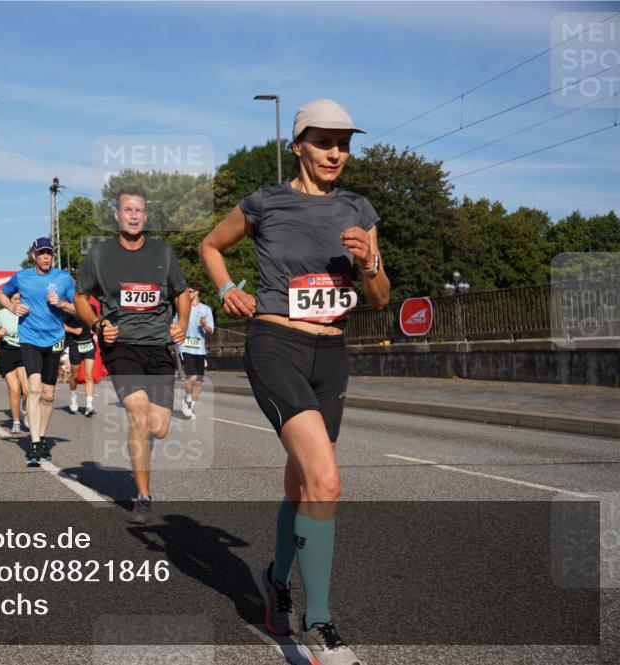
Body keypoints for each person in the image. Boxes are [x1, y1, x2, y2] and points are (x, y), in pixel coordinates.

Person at [200, 99, 389, 664]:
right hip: (276, 344)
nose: (336, 153)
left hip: (330, 355)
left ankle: (275, 581)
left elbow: (379, 300)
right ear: (299, 145)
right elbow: (211, 245)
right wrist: (227, 287)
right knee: (326, 482)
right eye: (324, 141)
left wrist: (370, 263)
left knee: (301, 485)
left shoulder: (358, 208)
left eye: (344, 143)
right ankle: (322, 623)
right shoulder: (265, 202)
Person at [75, 185, 189, 524]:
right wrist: (97, 324)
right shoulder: (100, 254)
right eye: (128, 210)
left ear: (146, 215)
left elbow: (181, 292)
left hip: (159, 347)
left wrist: (181, 322)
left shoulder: (163, 252)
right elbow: (82, 297)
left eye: (139, 210)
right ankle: (142, 497)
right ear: (116, 215)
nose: (134, 215)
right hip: (120, 346)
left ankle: (141, 459)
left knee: (159, 427)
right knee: (138, 414)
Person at [0, 237, 75, 467]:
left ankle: (41, 438)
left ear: (53, 254)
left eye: (49, 252)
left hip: (55, 339)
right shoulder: (22, 277)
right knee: (34, 388)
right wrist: (12, 307)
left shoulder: (63, 278)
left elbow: (77, 308)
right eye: (41, 253)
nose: (46, 257)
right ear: (34, 255)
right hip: (30, 338)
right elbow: (0, 294)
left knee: (48, 395)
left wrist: (61, 304)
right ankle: (34, 442)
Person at [0, 293, 28, 434]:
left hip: (24, 351)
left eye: (20, 299)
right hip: (8, 353)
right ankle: (16, 422)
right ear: (10, 300)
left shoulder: (26, 312)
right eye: (15, 299)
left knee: (28, 390)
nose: (18, 301)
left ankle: (24, 410)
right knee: (14, 390)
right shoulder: (2, 313)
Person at [176, 281, 214, 420]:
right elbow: (175, 325)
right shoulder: (182, 308)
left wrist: (205, 325)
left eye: (190, 291)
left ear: (197, 292)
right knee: (191, 377)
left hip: (200, 349)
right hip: (185, 346)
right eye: (187, 292)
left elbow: (211, 330)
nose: (188, 294)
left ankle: (190, 404)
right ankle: (187, 397)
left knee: (198, 381)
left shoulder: (206, 309)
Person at [64, 308, 97, 417]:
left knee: (89, 376)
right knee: (75, 375)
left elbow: (95, 322)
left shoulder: (91, 307)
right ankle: (73, 397)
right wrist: (73, 331)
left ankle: (89, 405)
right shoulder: (68, 309)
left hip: (89, 344)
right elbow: (61, 325)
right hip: (75, 344)